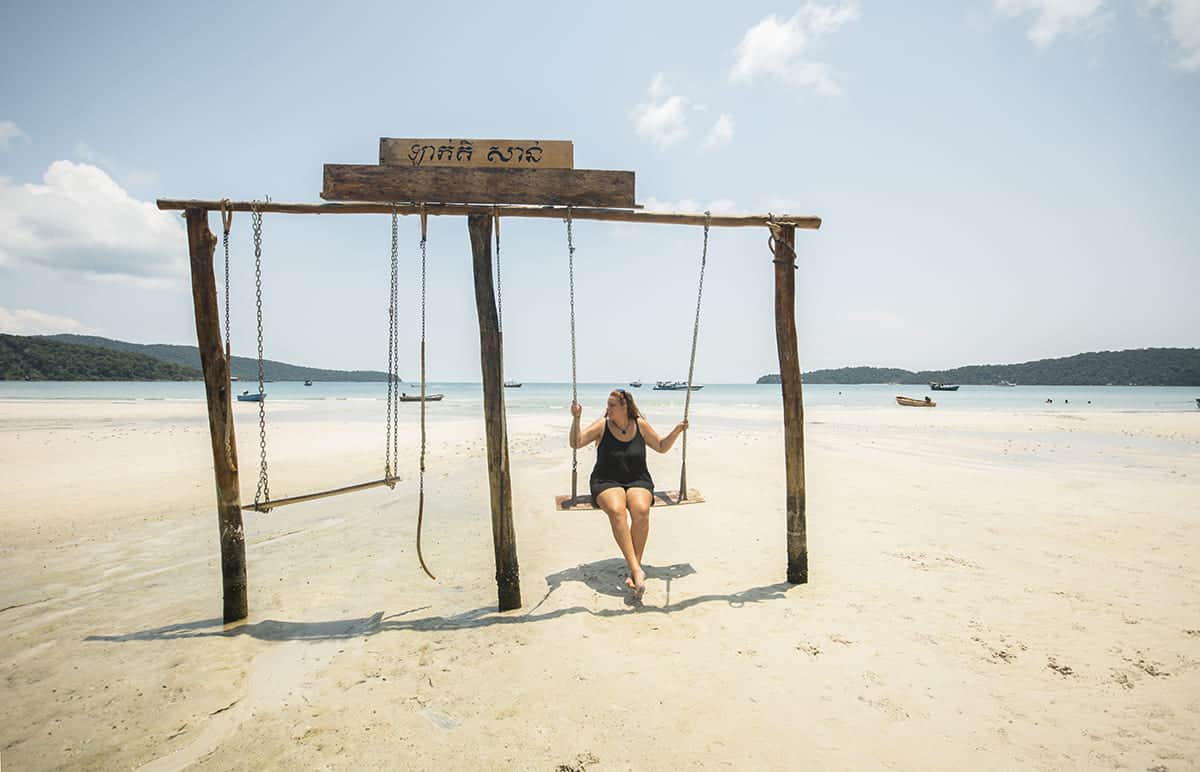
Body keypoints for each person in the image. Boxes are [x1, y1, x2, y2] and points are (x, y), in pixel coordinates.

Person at [570, 389, 688, 598]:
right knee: (617, 511)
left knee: (641, 510)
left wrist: (677, 431)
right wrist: (576, 418)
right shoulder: (603, 425)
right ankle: (636, 571)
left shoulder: (639, 424)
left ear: (625, 407)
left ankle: (635, 568)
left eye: (612, 405)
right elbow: (576, 442)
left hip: (637, 479)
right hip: (606, 480)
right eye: (608, 405)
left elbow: (661, 446)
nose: (608, 409)